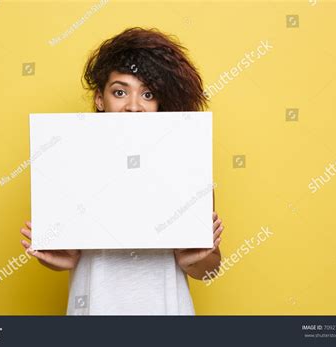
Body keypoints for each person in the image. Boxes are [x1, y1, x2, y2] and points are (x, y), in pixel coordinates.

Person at [20, 27, 224, 315]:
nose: (133, 107)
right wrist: (54, 257)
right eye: (120, 91)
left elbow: (209, 271)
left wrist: (196, 259)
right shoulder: (69, 160)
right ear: (100, 99)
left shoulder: (186, 163)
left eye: (148, 94)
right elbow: (69, 255)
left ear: (160, 103)